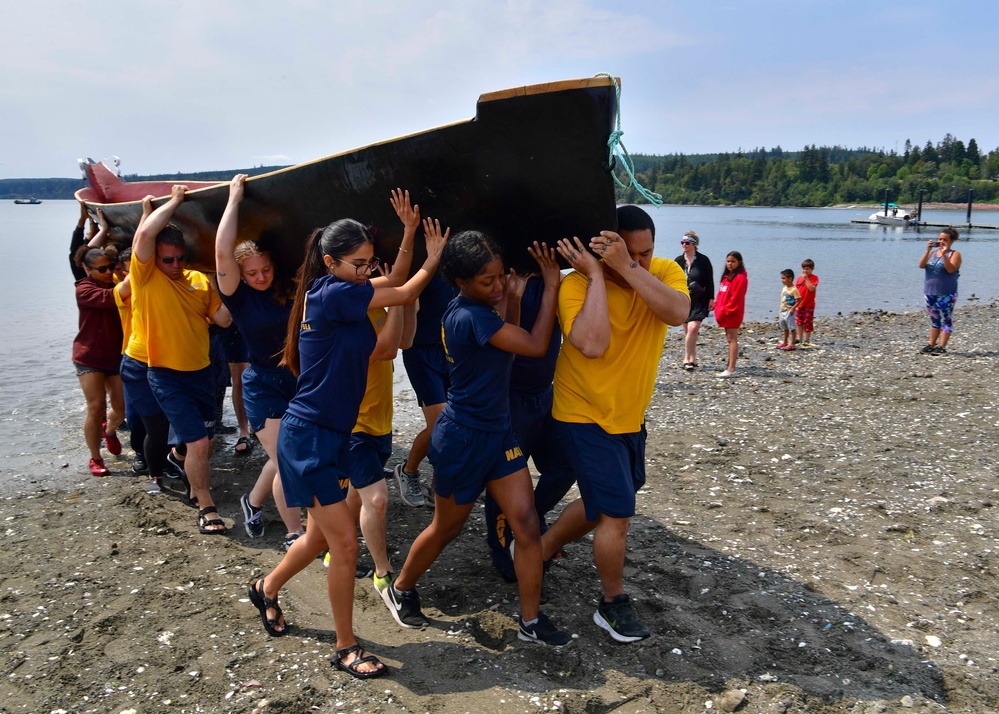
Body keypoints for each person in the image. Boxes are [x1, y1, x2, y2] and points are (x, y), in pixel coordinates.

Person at [247, 213, 445, 680]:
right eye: (357, 264)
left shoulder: (343, 289)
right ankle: (345, 646)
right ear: (330, 262)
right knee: (344, 545)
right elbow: (404, 289)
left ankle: (266, 587)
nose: (366, 270)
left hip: (333, 436)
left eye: (368, 261)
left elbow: (393, 280)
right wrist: (433, 258)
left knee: (318, 537)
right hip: (309, 437)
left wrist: (410, 234)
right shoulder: (333, 293)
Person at [381, 231, 570, 646]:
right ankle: (400, 587)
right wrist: (551, 283)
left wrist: (516, 299)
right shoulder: (468, 316)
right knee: (446, 528)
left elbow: (510, 343)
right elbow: (536, 345)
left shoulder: (480, 310)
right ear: (461, 282)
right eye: (489, 281)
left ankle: (531, 621)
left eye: (502, 275)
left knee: (526, 524)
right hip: (463, 440)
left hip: (499, 435)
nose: (499, 286)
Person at [538, 205, 689, 643]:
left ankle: (537, 550)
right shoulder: (576, 284)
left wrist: (629, 267)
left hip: (628, 417)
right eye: (629, 251)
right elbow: (590, 343)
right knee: (617, 514)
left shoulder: (662, 272)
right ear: (603, 248)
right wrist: (603, 275)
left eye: (646, 252)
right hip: (581, 414)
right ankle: (612, 604)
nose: (641, 261)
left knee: (600, 505)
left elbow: (679, 313)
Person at [126, 185, 232, 532]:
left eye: (179, 259)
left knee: (206, 441)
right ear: (154, 260)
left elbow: (223, 320)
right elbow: (144, 233)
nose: (173, 265)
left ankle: (179, 459)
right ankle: (206, 507)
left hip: (201, 374)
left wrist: (224, 280)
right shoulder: (147, 278)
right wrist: (174, 201)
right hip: (165, 375)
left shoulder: (199, 281)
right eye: (166, 259)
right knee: (199, 442)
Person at [215, 174, 304, 545]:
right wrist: (234, 199)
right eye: (251, 273)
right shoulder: (238, 296)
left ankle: (251, 502)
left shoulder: (289, 287)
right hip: (263, 384)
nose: (260, 277)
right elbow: (222, 252)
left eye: (265, 269)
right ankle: (296, 534)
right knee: (286, 461)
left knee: (285, 454)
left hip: (298, 380)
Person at [483, 272, 575, 583]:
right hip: (510, 395)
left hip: (546, 394)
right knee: (504, 479)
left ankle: (526, 518)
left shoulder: (556, 278)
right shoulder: (503, 275)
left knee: (565, 466)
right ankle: (500, 546)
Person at [393, 273, 457, 507]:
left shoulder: (458, 261)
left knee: (454, 424)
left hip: (452, 349)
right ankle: (408, 470)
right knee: (441, 424)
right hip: (420, 350)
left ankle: (437, 487)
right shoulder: (423, 264)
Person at [73, 245, 125, 476]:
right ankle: (95, 458)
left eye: (111, 267)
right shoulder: (84, 289)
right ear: (88, 270)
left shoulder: (116, 284)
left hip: (115, 355)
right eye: (101, 269)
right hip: (89, 356)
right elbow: (109, 299)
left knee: (122, 410)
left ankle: (110, 432)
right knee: (96, 407)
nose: (107, 271)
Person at [674, 230, 714, 371]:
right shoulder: (678, 260)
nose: (684, 245)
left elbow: (709, 280)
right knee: (687, 330)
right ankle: (693, 357)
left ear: (694, 245)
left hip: (700, 299)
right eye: (682, 243)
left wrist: (711, 299)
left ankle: (686, 358)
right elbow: (672, 279)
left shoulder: (703, 260)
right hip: (684, 298)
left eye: (687, 243)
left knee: (693, 328)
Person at [918, 228, 962, 355]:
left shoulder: (955, 254)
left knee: (945, 319)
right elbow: (921, 265)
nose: (941, 242)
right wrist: (928, 251)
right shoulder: (932, 254)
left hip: (946, 292)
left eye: (945, 240)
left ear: (951, 241)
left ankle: (942, 346)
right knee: (934, 319)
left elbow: (950, 269)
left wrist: (944, 254)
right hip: (930, 291)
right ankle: (931, 344)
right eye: (940, 239)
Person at [713, 251, 748, 378]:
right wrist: (717, 306)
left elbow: (736, 298)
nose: (730, 264)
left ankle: (731, 368)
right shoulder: (727, 277)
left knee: (732, 339)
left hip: (732, 314)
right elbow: (721, 294)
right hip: (724, 313)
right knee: (729, 339)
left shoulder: (740, 278)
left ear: (739, 262)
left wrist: (727, 310)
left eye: (733, 261)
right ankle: (729, 364)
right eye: (728, 261)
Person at [794, 258, 819, 347]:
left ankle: (807, 339)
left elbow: (811, 288)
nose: (805, 270)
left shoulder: (814, 278)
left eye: (807, 269)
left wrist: (806, 279)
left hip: (809, 304)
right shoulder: (799, 278)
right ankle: (800, 339)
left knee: (808, 322)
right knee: (799, 322)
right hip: (800, 303)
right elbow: (796, 289)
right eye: (804, 268)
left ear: (812, 269)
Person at [776, 269, 800, 351]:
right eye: (782, 278)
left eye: (784, 278)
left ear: (790, 279)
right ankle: (785, 341)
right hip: (783, 310)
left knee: (792, 328)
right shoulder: (784, 288)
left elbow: (799, 300)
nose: (782, 280)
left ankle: (792, 344)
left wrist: (793, 308)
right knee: (785, 327)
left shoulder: (794, 289)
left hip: (789, 311)